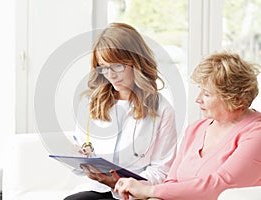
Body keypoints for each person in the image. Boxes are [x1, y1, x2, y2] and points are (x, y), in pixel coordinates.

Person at [114, 51, 261, 200]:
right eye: (199, 90)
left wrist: (151, 191)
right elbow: (172, 181)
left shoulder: (256, 133)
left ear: (234, 99)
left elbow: (221, 186)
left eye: (207, 94)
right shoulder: (196, 129)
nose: (197, 99)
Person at [64, 22, 178, 200]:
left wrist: (123, 184)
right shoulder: (91, 103)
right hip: (98, 189)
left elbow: (162, 169)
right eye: (104, 67)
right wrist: (80, 158)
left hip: (136, 194)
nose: (111, 75)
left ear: (136, 62)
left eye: (117, 66)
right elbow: (81, 147)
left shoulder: (161, 110)